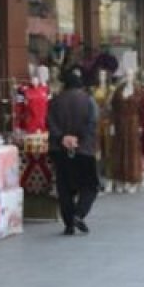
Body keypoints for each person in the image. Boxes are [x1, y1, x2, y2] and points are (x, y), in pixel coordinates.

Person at [47, 67, 100, 235]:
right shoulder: (88, 100)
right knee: (90, 185)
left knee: (65, 187)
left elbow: (49, 122)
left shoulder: (55, 101)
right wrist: (78, 138)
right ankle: (79, 213)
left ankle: (68, 223)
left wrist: (63, 137)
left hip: (60, 149)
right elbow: (92, 123)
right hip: (84, 149)